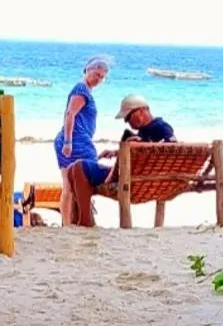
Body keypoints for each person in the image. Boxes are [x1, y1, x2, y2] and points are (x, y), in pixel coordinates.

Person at [66, 94, 177, 227]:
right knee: (71, 170)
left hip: (131, 179)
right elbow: (149, 151)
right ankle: (79, 219)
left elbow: (172, 149)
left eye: (128, 117)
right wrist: (117, 152)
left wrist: (136, 144)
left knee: (79, 167)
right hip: (136, 176)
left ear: (141, 110)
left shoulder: (161, 127)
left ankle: (85, 221)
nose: (126, 121)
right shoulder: (147, 130)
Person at [54, 56, 110, 225]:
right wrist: (68, 142)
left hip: (78, 141)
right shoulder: (81, 89)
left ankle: (70, 222)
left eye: (102, 77)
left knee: (71, 185)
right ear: (87, 70)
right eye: (97, 74)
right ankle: (74, 221)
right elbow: (70, 114)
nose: (99, 79)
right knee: (75, 184)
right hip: (76, 142)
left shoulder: (85, 91)